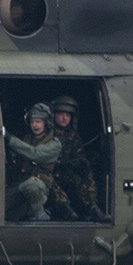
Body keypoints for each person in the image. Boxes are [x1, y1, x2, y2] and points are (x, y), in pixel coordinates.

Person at [48, 95, 110, 223]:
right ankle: (65, 208)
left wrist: (78, 163)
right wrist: (60, 163)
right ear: (54, 115)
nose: (65, 118)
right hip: (50, 174)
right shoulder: (47, 134)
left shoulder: (73, 136)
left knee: (84, 173)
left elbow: (79, 155)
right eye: (61, 114)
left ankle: (91, 207)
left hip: (66, 174)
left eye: (68, 115)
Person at [5, 102, 61, 222]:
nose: (34, 125)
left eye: (38, 122)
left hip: (40, 187)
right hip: (21, 183)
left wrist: (9, 138)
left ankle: (41, 215)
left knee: (32, 185)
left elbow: (34, 153)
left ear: (46, 123)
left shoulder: (54, 144)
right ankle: (26, 211)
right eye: (32, 121)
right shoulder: (26, 139)